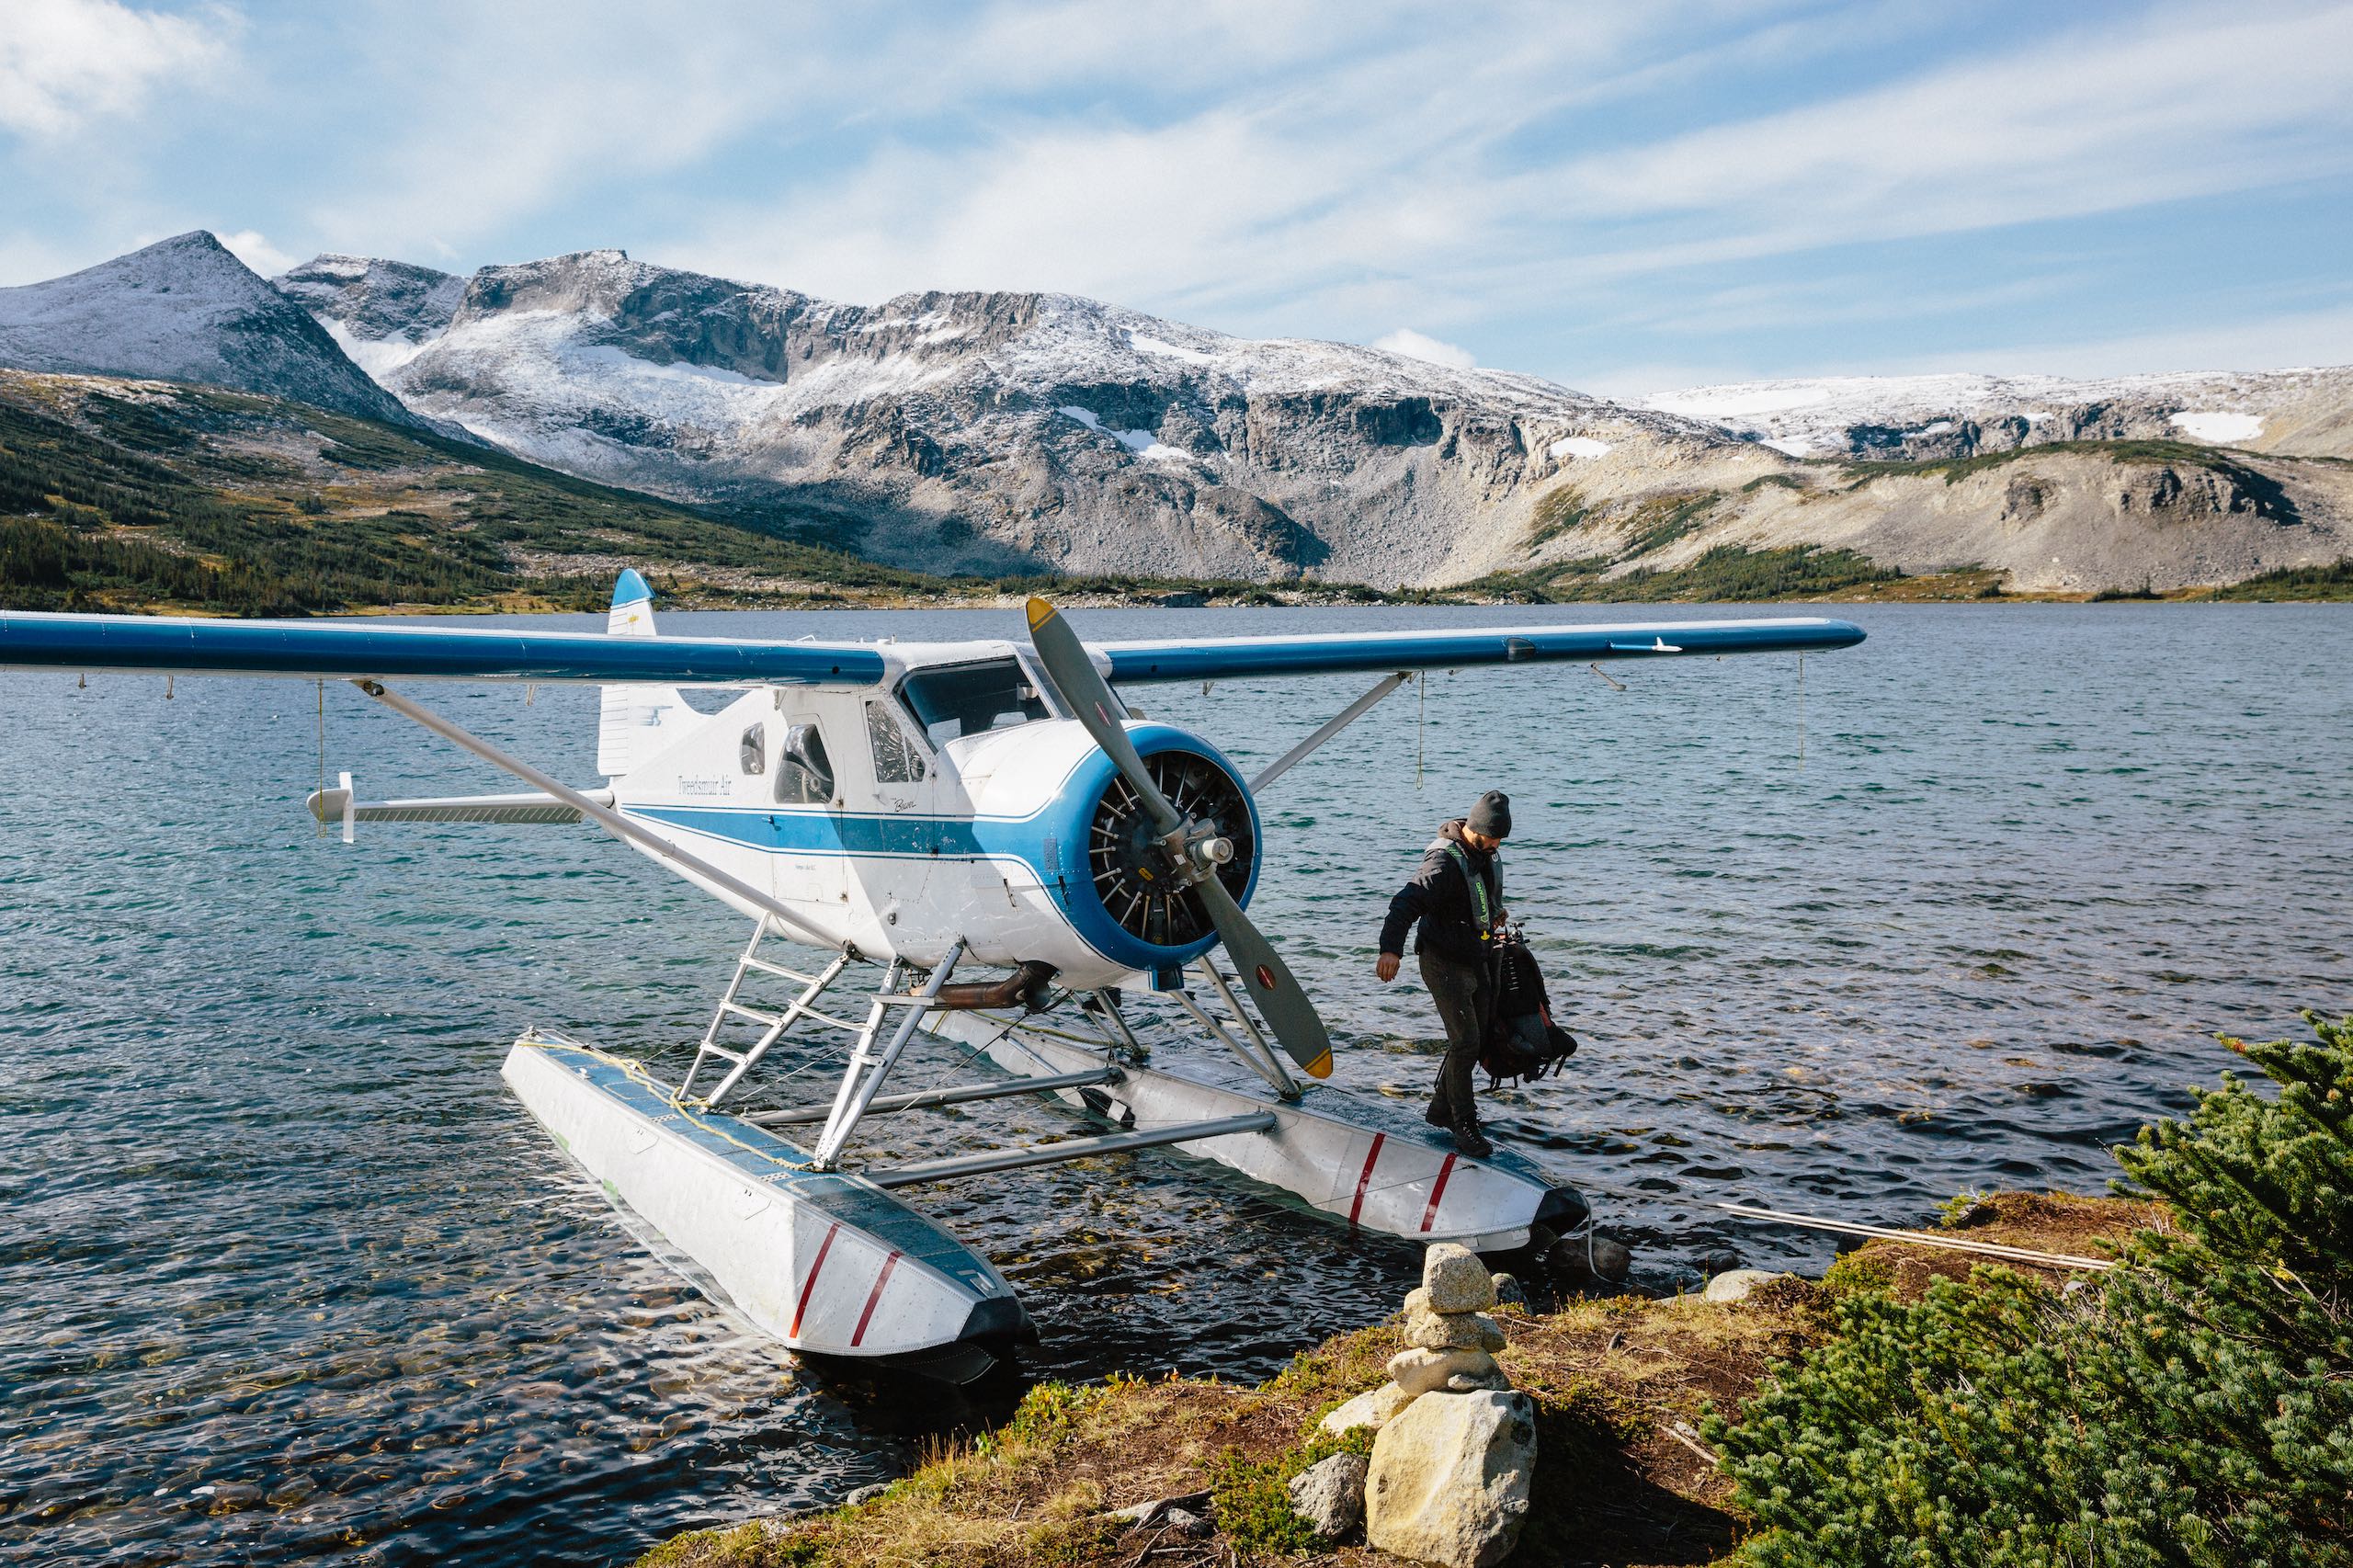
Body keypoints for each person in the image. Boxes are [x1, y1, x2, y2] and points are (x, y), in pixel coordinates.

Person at [1375, 790, 1511, 1158]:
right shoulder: (1443, 864)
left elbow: (1476, 900)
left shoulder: (1483, 854)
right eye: (1494, 838)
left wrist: (1493, 914)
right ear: (1477, 830)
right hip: (1443, 962)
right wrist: (1390, 950)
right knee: (1465, 1042)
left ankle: (1439, 1110)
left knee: (1479, 1040)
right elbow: (1404, 904)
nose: (1498, 845)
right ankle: (1463, 1123)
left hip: (1477, 956)